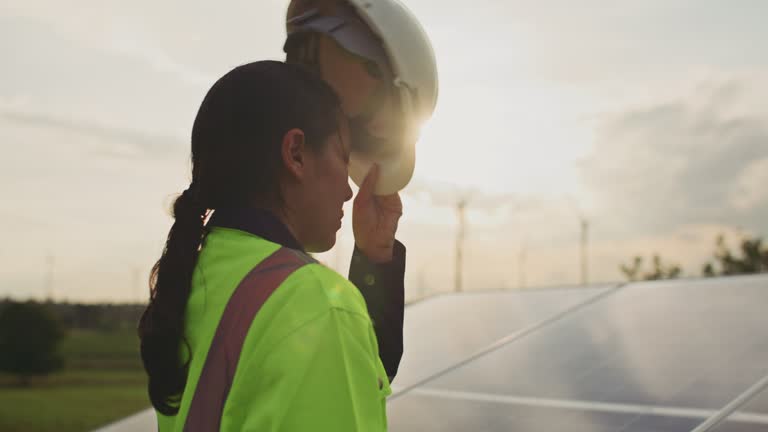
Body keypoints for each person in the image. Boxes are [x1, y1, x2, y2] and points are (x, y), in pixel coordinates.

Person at [138, 60, 405, 431]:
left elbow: (345, 384)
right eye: (343, 159)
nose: (348, 190)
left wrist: (374, 258)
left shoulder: (196, 277)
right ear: (295, 153)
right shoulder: (317, 302)